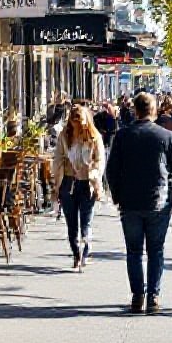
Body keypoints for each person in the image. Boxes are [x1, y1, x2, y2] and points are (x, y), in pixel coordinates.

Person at [105, 92, 172, 314]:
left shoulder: (122, 136)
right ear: (154, 110)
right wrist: (171, 189)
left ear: (135, 110)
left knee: (134, 251)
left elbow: (111, 170)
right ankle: (153, 296)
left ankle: (137, 296)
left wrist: (117, 195)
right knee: (155, 250)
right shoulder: (165, 136)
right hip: (157, 200)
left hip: (129, 201)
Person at [52, 104, 106, 270]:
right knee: (71, 223)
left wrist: (93, 173)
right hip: (68, 182)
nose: (77, 125)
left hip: (87, 183)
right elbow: (58, 157)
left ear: (86, 120)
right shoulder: (64, 136)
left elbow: (100, 160)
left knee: (86, 222)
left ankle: (85, 252)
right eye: (74, 121)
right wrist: (56, 181)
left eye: (80, 121)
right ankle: (76, 253)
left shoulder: (94, 137)